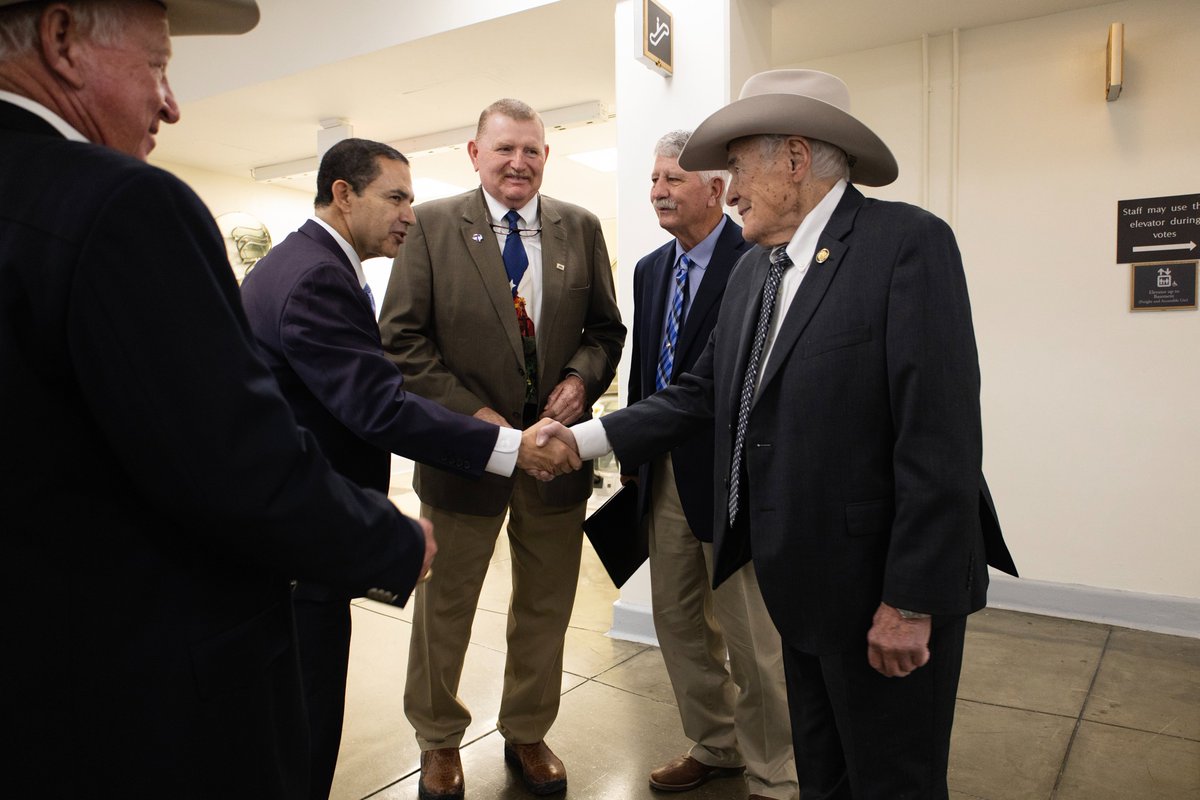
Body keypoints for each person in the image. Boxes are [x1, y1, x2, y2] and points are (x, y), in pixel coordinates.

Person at [0, 1, 435, 797]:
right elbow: (234, 462)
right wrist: (394, 542)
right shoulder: (122, 204)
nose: (170, 102)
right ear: (62, 40)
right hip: (129, 698)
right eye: (159, 65)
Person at [562, 70, 1019, 798]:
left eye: (738, 166)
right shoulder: (756, 274)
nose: (729, 186)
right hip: (797, 587)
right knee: (824, 778)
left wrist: (909, 602)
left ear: (797, 160)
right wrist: (583, 440)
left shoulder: (906, 245)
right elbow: (702, 392)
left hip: (880, 595)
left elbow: (940, 441)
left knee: (891, 780)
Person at [240, 137, 579, 799]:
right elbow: (378, 406)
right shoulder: (314, 277)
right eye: (394, 196)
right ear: (343, 194)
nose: (408, 213)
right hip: (301, 548)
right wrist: (507, 446)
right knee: (304, 731)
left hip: (294, 538)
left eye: (413, 198)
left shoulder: (300, 264)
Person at [377, 97, 624, 798]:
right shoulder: (429, 226)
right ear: (475, 153)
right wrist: (483, 425)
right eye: (505, 149)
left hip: (554, 460)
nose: (519, 163)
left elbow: (605, 331)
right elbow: (402, 343)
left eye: (533, 150)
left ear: (547, 155)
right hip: (465, 458)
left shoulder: (579, 227)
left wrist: (580, 380)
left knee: (546, 604)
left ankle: (527, 730)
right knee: (445, 606)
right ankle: (438, 740)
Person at [627, 130, 797, 800]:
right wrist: (636, 460)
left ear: (717, 189)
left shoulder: (756, 260)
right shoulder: (649, 270)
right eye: (655, 179)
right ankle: (716, 743)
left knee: (753, 637)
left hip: (731, 477)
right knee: (675, 621)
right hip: (663, 474)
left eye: (673, 178)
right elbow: (648, 370)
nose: (660, 191)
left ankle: (775, 768)